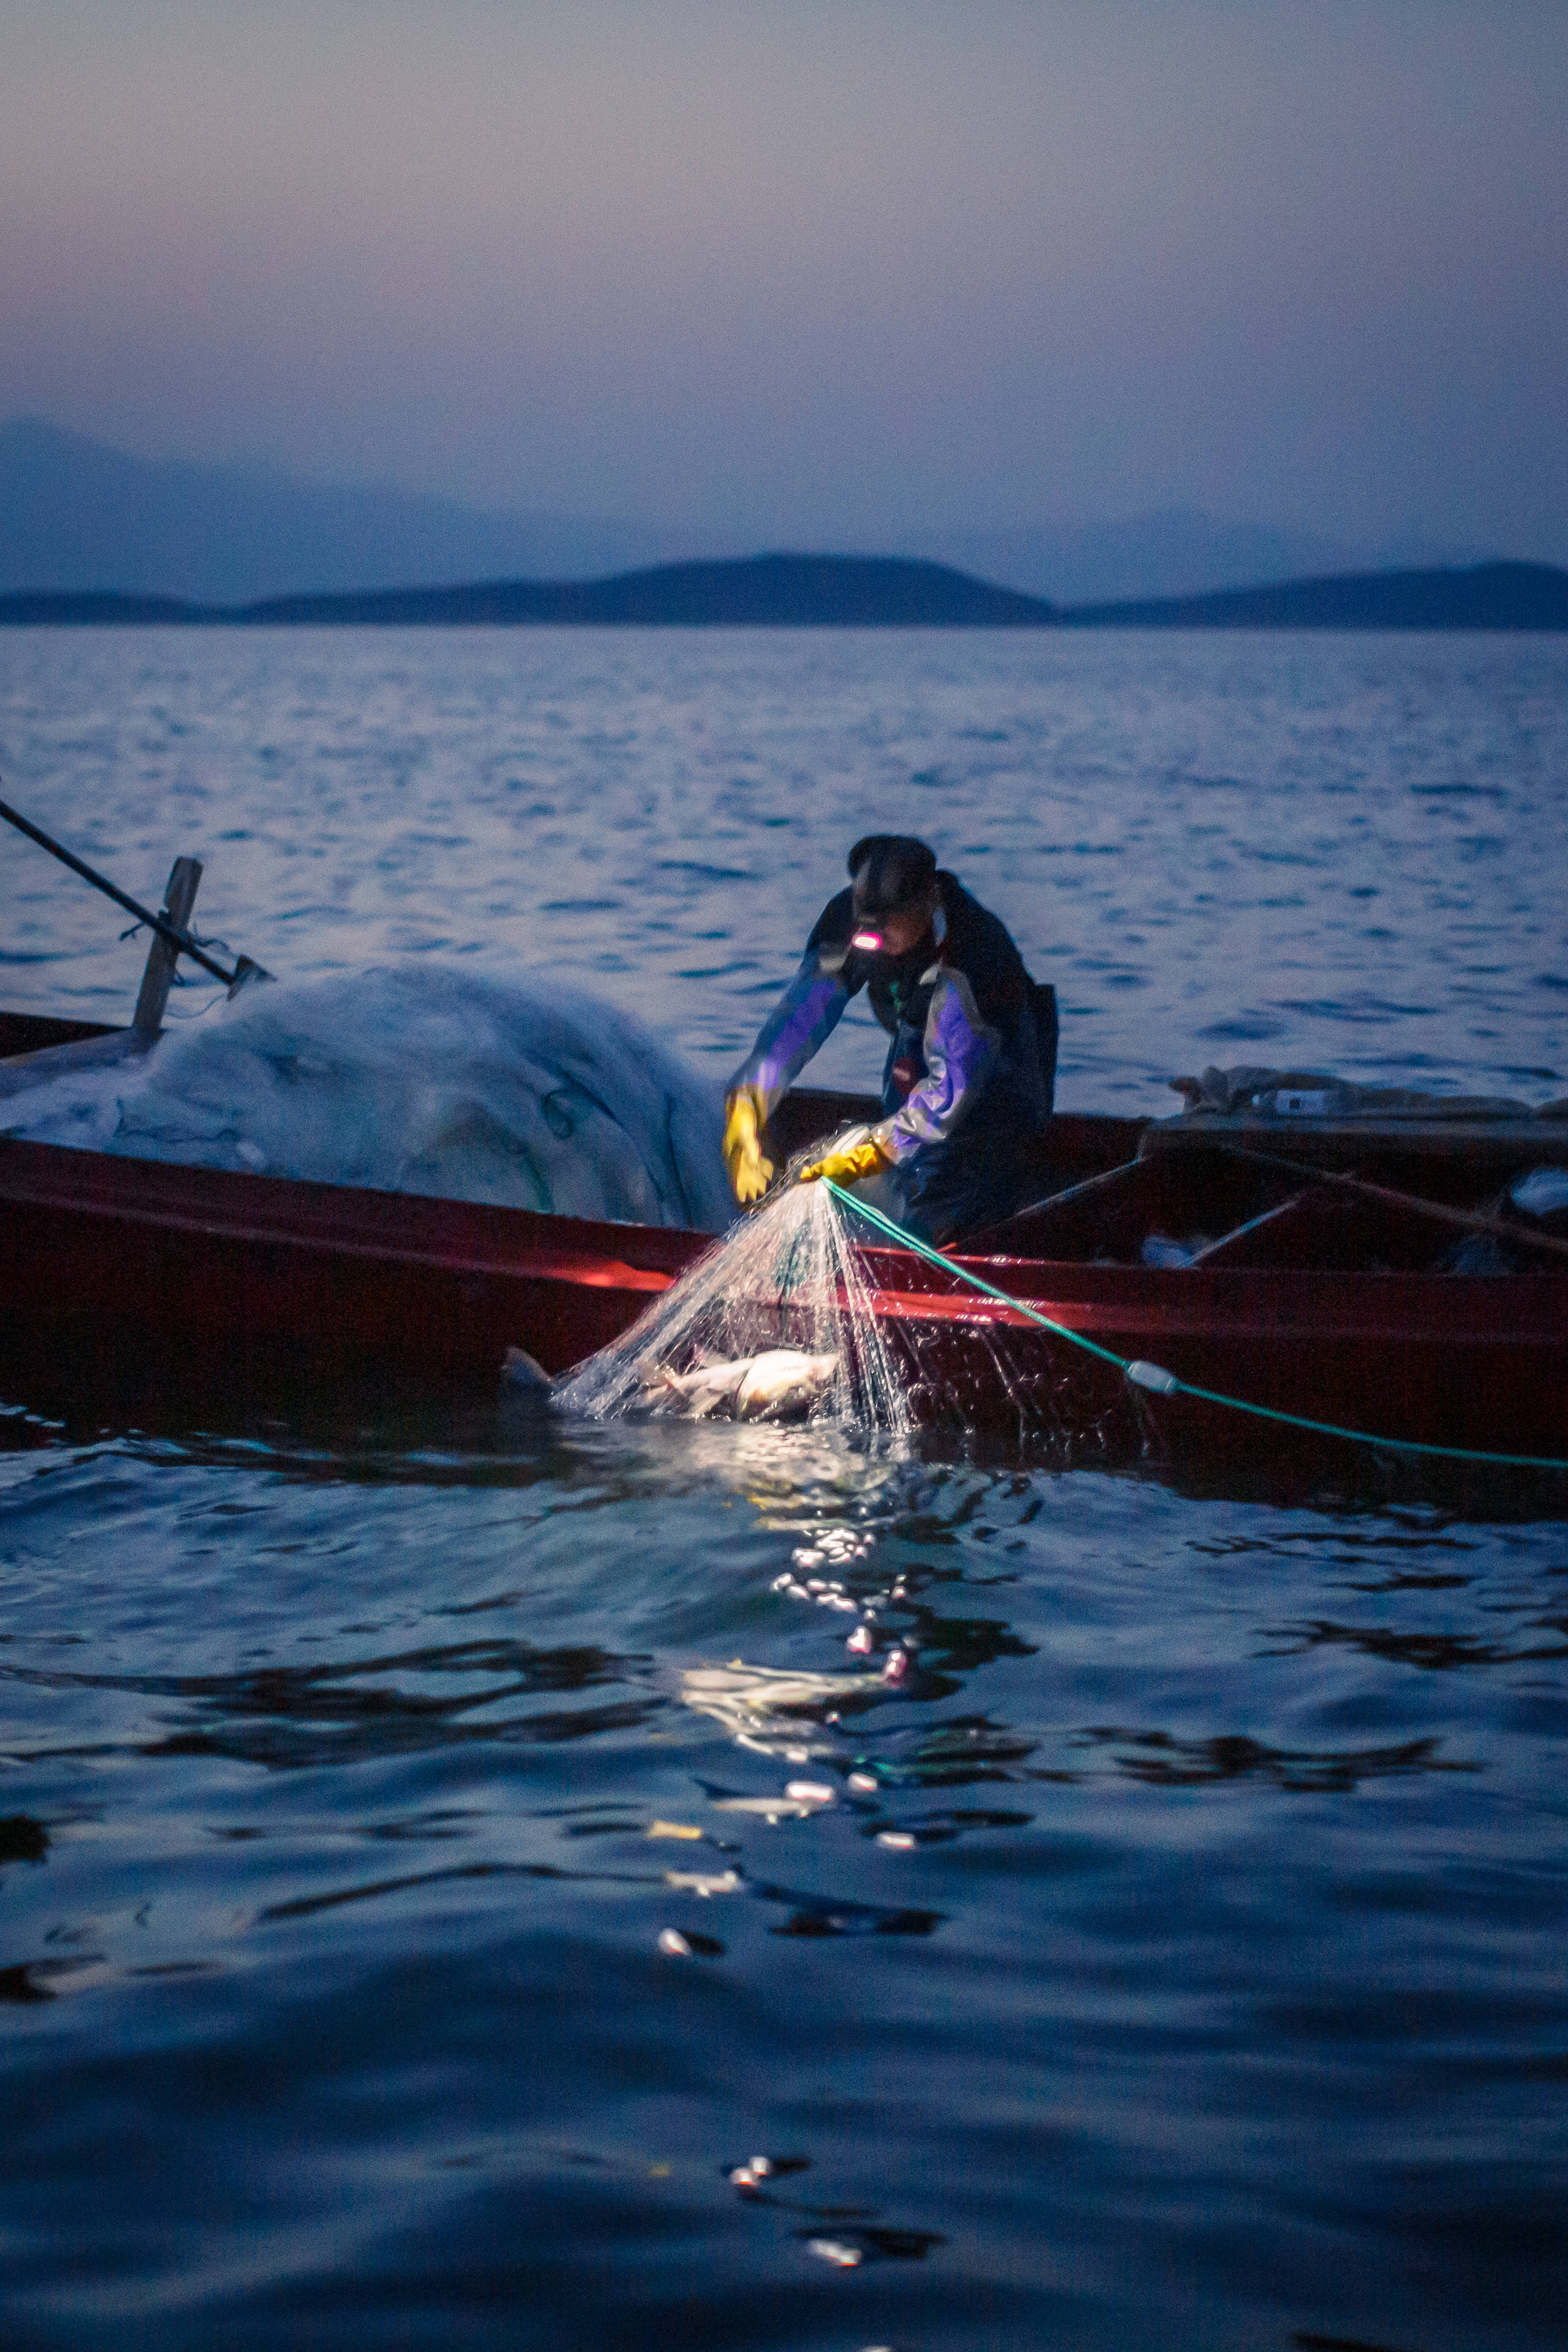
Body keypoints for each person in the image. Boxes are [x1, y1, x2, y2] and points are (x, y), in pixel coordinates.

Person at [722, 834, 1057, 1244]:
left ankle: (945, 1229)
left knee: (951, 1188)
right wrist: (748, 1103)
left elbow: (949, 1092)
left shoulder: (973, 955)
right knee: (903, 1091)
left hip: (995, 1083)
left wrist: (873, 1152)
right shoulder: (850, 923)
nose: (874, 941)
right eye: (866, 928)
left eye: (888, 927)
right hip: (918, 1041)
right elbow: (800, 1018)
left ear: (927, 901)